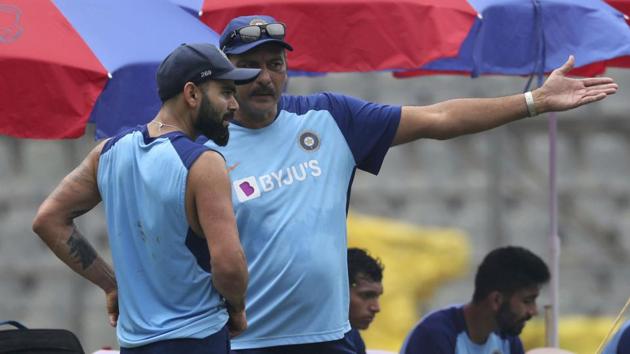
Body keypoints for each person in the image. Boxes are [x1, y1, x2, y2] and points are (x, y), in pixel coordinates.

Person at [204, 14, 618, 353]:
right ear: (224, 72)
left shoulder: (329, 118)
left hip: (328, 339)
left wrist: (534, 102)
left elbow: (438, 119)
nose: (264, 77)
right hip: (243, 342)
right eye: (250, 65)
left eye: (274, 64)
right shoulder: (199, 148)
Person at [32, 43, 260, 353]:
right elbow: (230, 267)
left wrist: (111, 285)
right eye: (225, 92)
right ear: (192, 94)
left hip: (134, 344)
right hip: (197, 339)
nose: (233, 104)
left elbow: (49, 220)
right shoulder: (203, 163)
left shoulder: (107, 153)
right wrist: (236, 309)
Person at [400, 246, 550, 354]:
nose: (534, 311)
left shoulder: (508, 340)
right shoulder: (434, 335)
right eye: (527, 301)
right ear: (496, 300)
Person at [347, 248, 385, 354]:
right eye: (367, 295)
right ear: (340, 292)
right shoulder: (314, 339)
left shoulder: (354, 338)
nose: (376, 308)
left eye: (377, 296)